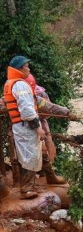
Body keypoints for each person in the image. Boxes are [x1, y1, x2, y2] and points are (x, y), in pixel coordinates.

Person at [3, 55, 45, 199]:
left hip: (19, 126)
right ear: (20, 68)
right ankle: (26, 190)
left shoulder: (10, 83)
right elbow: (27, 110)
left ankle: (28, 187)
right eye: (27, 66)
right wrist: (38, 127)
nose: (29, 68)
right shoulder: (20, 84)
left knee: (27, 156)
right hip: (26, 126)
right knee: (30, 156)